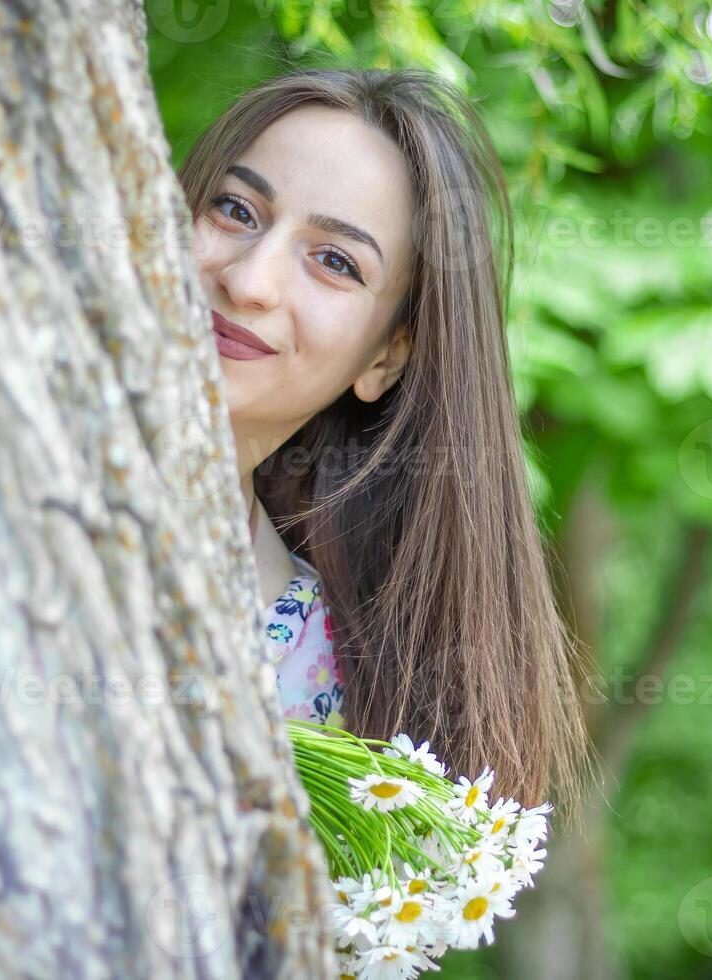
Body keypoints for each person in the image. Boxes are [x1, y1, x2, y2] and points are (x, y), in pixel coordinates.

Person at [177, 68, 592, 811]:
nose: (249, 280)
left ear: (385, 357)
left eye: (335, 261)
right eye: (235, 209)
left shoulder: (320, 694)